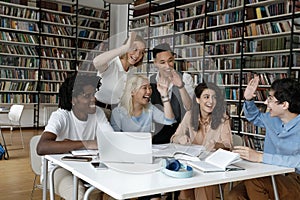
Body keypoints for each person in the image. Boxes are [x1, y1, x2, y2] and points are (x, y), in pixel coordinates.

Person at [36, 74, 114, 200]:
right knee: (78, 195)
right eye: (87, 96)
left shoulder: (97, 112)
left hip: (89, 165)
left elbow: (111, 139)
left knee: (115, 189)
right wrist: (86, 143)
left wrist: (72, 143)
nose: (93, 99)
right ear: (73, 99)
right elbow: (42, 147)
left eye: (94, 94)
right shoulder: (61, 116)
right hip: (58, 169)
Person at [228, 75, 300, 200]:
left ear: (284, 105)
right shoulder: (272, 119)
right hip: (268, 172)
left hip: (295, 178)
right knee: (234, 195)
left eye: (271, 99)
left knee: (255, 180)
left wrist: (260, 157)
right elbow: (253, 117)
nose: (266, 102)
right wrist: (248, 99)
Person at [171, 82, 232, 200]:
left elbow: (228, 146)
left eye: (214, 97)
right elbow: (174, 138)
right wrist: (180, 138)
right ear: (198, 100)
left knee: (203, 186)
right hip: (191, 165)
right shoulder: (189, 115)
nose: (211, 101)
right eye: (206, 97)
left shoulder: (223, 118)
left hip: (212, 168)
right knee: (185, 186)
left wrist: (216, 145)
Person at [93, 32, 146, 118]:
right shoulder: (112, 63)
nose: (137, 55)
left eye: (142, 52)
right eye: (134, 49)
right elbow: (96, 62)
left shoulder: (132, 72)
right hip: (98, 110)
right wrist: (124, 48)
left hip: (116, 113)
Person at [150, 43, 192, 144]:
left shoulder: (185, 78)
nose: (167, 66)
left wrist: (180, 86)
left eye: (170, 61)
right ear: (155, 63)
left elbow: (190, 107)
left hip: (182, 136)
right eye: (162, 62)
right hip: (159, 137)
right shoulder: (150, 81)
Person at [110, 74, 176, 132]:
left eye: (150, 88)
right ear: (132, 91)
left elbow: (169, 121)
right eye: (144, 88)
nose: (149, 91)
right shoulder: (117, 113)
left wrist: (164, 94)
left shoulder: (150, 109)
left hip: (146, 146)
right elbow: (116, 138)